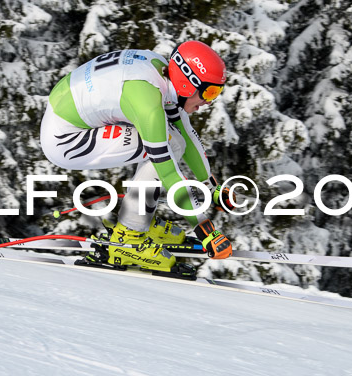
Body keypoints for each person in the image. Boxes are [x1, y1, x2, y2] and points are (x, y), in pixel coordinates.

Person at [40, 41, 234, 276]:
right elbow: (168, 171)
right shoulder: (147, 102)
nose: (210, 101)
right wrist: (204, 230)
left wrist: (210, 186)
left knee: (175, 139)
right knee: (168, 146)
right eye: (209, 91)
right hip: (65, 139)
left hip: (65, 107)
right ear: (187, 82)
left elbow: (185, 132)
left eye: (217, 92)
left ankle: (139, 218)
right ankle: (128, 236)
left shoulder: (164, 72)